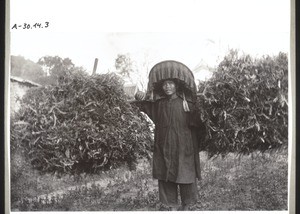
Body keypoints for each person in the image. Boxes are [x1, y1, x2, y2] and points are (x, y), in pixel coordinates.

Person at [134, 78, 204, 211]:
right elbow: (144, 105)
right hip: (164, 145)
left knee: (186, 174)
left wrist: (198, 106)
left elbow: (197, 122)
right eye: (165, 84)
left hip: (184, 146)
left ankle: (186, 206)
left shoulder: (186, 103)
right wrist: (139, 96)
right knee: (166, 175)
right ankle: (172, 207)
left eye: (171, 83)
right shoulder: (159, 104)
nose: (167, 87)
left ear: (177, 86)